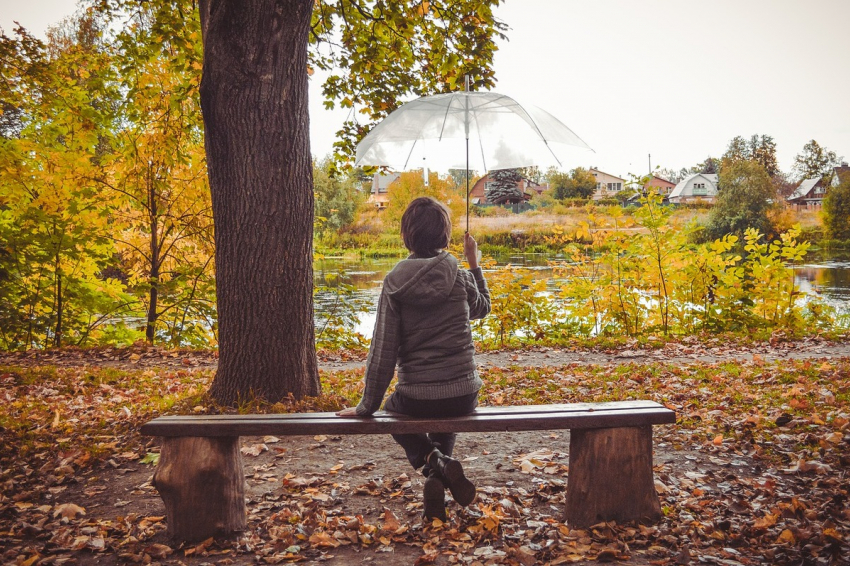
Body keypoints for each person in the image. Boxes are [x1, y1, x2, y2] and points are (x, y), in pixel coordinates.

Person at [336, 196, 491, 521]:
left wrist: (368, 407)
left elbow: (382, 352)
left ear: (408, 235)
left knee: (392, 410)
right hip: (464, 395)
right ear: (444, 235)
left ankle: (433, 461)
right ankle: (440, 473)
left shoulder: (395, 282)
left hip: (417, 398)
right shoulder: (459, 275)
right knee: (445, 412)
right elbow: (482, 309)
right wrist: (473, 263)